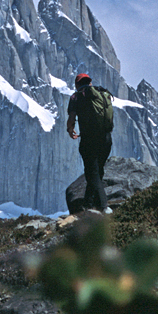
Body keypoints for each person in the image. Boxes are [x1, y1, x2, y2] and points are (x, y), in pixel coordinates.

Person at [66, 73, 114, 213]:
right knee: (97, 171)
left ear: (77, 85)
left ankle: (104, 207)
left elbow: (72, 117)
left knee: (92, 173)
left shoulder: (77, 96)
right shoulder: (102, 94)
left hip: (90, 139)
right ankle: (88, 204)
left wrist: (70, 129)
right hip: (106, 139)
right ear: (90, 83)